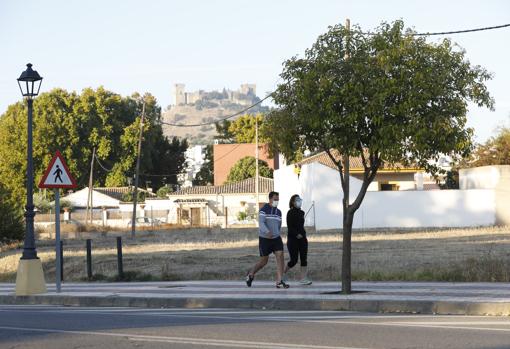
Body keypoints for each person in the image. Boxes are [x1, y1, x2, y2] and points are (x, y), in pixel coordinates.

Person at [246, 191, 289, 289]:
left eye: (278, 199)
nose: (276, 201)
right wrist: (267, 232)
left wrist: (276, 233)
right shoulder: (263, 210)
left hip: (276, 238)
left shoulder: (279, 212)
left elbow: (279, 225)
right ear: (270, 199)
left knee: (280, 255)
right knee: (263, 261)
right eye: (275, 199)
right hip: (265, 239)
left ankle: (279, 281)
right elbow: (261, 223)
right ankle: (251, 273)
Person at [283, 194, 312, 285]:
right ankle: (282, 274)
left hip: (303, 239)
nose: (299, 201)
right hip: (293, 240)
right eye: (297, 200)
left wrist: (302, 234)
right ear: (292, 202)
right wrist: (296, 234)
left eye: (300, 199)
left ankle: (303, 278)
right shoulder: (290, 212)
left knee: (304, 259)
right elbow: (290, 227)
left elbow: (301, 225)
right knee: (294, 260)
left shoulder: (302, 212)